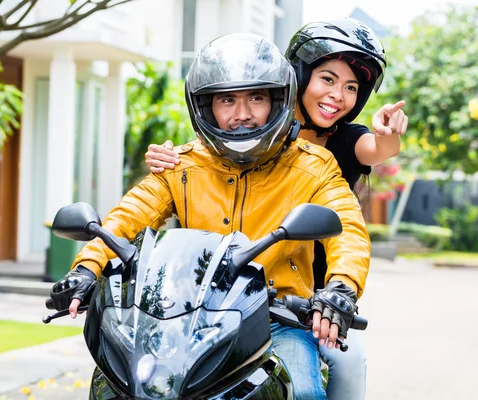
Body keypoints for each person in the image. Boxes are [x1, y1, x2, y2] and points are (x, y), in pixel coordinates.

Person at [50, 32, 371, 399]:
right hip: (182, 321)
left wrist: (341, 288)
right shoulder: (181, 164)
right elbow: (128, 216)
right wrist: (85, 268)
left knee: (302, 390)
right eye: (226, 100)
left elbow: (347, 228)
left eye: (256, 97)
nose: (242, 114)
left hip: (275, 320)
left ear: (279, 100)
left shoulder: (314, 166)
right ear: (206, 106)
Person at [144, 18, 408, 400]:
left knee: (345, 362)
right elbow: (200, 163)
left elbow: (377, 152)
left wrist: (389, 136)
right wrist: (172, 159)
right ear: (296, 77)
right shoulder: (246, 127)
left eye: (351, 87)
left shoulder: (340, 143)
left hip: (310, 294)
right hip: (218, 292)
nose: (337, 94)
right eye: (327, 80)